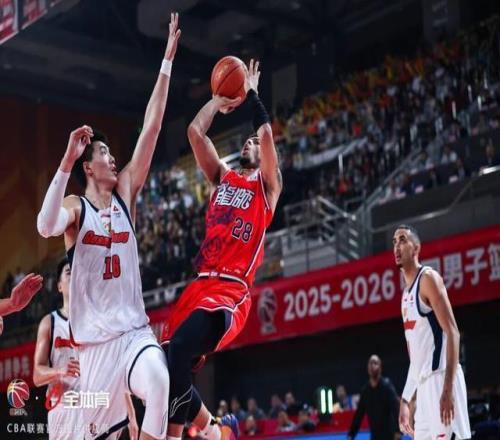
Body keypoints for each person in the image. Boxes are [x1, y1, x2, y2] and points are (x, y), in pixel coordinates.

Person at [36, 13, 181, 440]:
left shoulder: (126, 193)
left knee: (159, 381)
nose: (113, 158)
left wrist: (166, 63)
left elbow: (152, 125)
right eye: (103, 153)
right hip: (94, 353)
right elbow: (45, 226)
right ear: (87, 166)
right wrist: (65, 161)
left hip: (133, 334)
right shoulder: (76, 207)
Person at [160, 59, 282, 440]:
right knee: (167, 363)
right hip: (199, 285)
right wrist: (216, 101)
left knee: (180, 348)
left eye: (253, 144)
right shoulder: (221, 178)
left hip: (230, 290)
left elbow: (265, 134)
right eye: (245, 141)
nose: (249, 143)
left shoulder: (267, 187)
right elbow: (194, 132)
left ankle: (182, 434)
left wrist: (252, 94)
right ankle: (211, 430)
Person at [394, 225, 471, 439]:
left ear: (416, 248)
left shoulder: (428, 278)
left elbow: (453, 333)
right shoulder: (405, 297)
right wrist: (405, 400)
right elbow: (416, 360)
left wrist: (447, 389)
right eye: (394, 242)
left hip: (442, 378)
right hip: (424, 387)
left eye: (402, 240)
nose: (397, 246)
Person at [347, 355, 400, 440]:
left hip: (390, 435)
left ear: (380, 368)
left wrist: (398, 431)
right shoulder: (365, 391)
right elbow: (359, 414)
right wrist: (351, 434)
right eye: (370, 363)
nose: (372, 365)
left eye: (375, 363)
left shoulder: (387, 387)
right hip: (375, 436)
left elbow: (396, 409)